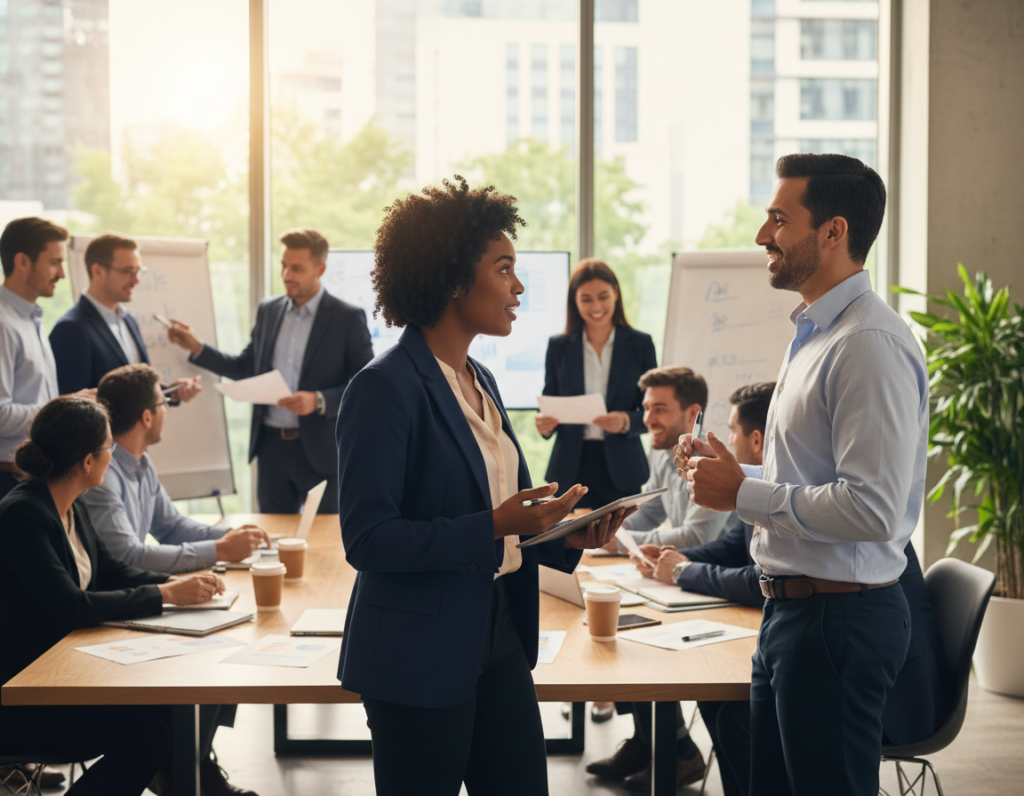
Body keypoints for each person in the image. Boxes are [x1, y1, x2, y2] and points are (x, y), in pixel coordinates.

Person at [335, 176, 632, 796]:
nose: (518, 287)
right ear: (451, 278)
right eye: (504, 269)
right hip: (418, 653)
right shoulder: (383, 388)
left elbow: (511, 524)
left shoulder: (483, 380)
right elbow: (369, 541)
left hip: (499, 633)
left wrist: (571, 533)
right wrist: (495, 525)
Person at [677, 154, 929, 795]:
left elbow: (870, 508)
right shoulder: (817, 334)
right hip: (794, 615)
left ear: (833, 231)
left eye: (778, 219)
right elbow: (816, 473)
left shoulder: (866, 343)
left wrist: (743, 492)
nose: (763, 235)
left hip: (835, 624)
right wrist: (738, 474)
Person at [0, 395, 224, 796]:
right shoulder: (23, 515)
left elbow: (111, 573)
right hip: (24, 692)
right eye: (108, 447)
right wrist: (165, 593)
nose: (113, 454)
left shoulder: (71, 504)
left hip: (64, 670)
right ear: (87, 461)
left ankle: (196, 784)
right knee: (147, 736)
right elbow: (71, 606)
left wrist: (187, 590)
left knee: (171, 706)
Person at [586, 382, 773, 792]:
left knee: (716, 696)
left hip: (780, 627)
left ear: (756, 440)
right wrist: (671, 559)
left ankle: (676, 752)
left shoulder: (767, 490)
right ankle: (659, 745)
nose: (726, 440)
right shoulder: (758, 487)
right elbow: (730, 546)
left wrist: (682, 570)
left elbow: (760, 577)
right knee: (650, 649)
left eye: (732, 431)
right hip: (758, 618)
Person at [167, 227, 373, 514]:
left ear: (321, 268)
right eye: (284, 266)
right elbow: (245, 367)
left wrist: (319, 400)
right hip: (271, 450)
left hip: (321, 452)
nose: (287, 275)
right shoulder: (269, 310)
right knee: (272, 541)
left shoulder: (347, 318)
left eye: (297, 268)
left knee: (324, 543)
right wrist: (197, 347)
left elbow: (365, 384)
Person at [79, 364, 270, 572]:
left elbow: (172, 527)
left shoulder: (141, 462)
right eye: (164, 403)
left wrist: (232, 536)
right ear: (147, 417)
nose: (165, 410)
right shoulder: (103, 476)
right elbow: (128, 556)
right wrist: (220, 550)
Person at [536, 258, 657, 510]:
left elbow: (653, 409)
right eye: (586, 299)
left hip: (623, 466)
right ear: (574, 301)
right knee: (570, 544)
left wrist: (625, 421)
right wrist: (544, 424)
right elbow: (550, 400)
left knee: (621, 543)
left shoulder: (640, 344)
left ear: (616, 294)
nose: (596, 306)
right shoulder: (559, 346)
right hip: (571, 466)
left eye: (603, 296)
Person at [0, 217, 92, 502]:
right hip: (9, 480)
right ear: (22, 261)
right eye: (54, 262)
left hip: (34, 477)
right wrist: (61, 407)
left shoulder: (32, 318)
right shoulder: (3, 324)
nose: (62, 274)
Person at [49, 233, 201, 402]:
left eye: (139, 271)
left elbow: (130, 392)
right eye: (128, 271)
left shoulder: (128, 321)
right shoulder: (71, 328)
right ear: (98, 271)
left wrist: (170, 392)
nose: (137, 280)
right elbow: (73, 406)